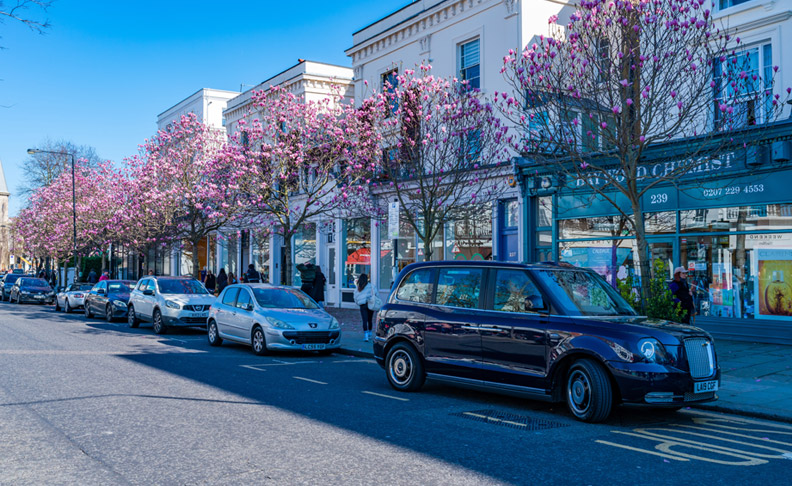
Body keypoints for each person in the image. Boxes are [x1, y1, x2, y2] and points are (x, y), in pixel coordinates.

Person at [353, 273, 374, 342]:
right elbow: (375, 294)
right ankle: (370, 333)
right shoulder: (370, 286)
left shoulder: (358, 287)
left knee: (364, 320)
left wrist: (358, 302)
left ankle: (366, 336)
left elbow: (355, 296)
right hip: (370, 304)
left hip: (363, 305)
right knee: (370, 320)